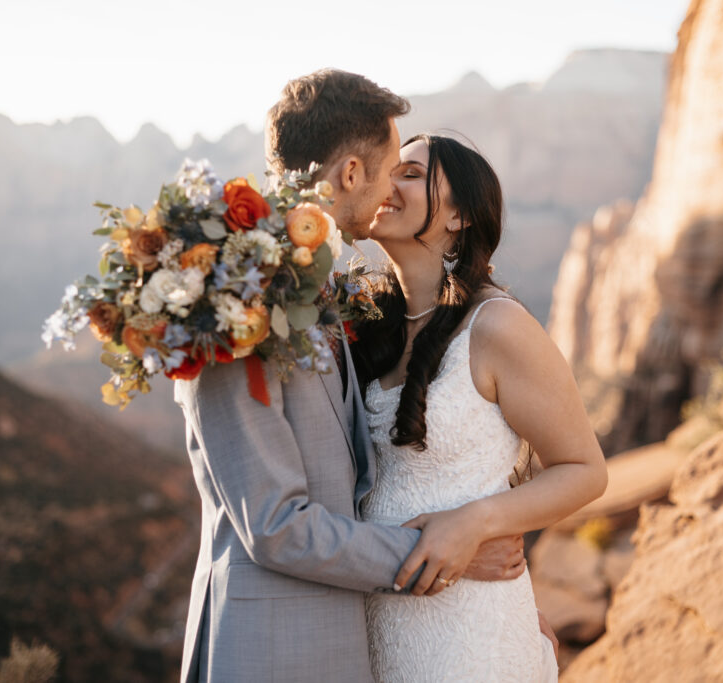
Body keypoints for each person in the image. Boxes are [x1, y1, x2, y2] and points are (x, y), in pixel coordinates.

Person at [173, 70, 531, 683]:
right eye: (394, 167)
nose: (395, 187)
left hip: (356, 638)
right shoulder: (239, 298)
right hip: (268, 648)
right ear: (351, 175)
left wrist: (507, 612)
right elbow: (275, 527)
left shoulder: (320, 285)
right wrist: (445, 556)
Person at [353, 134, 608, 682]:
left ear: (461, 216)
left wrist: (477, 523)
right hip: (378, 630)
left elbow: (584, 470)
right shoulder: (369, 325)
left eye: (412, 174)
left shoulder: (497, 325)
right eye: (386, 170)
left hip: (472, 638)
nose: (386, 183)